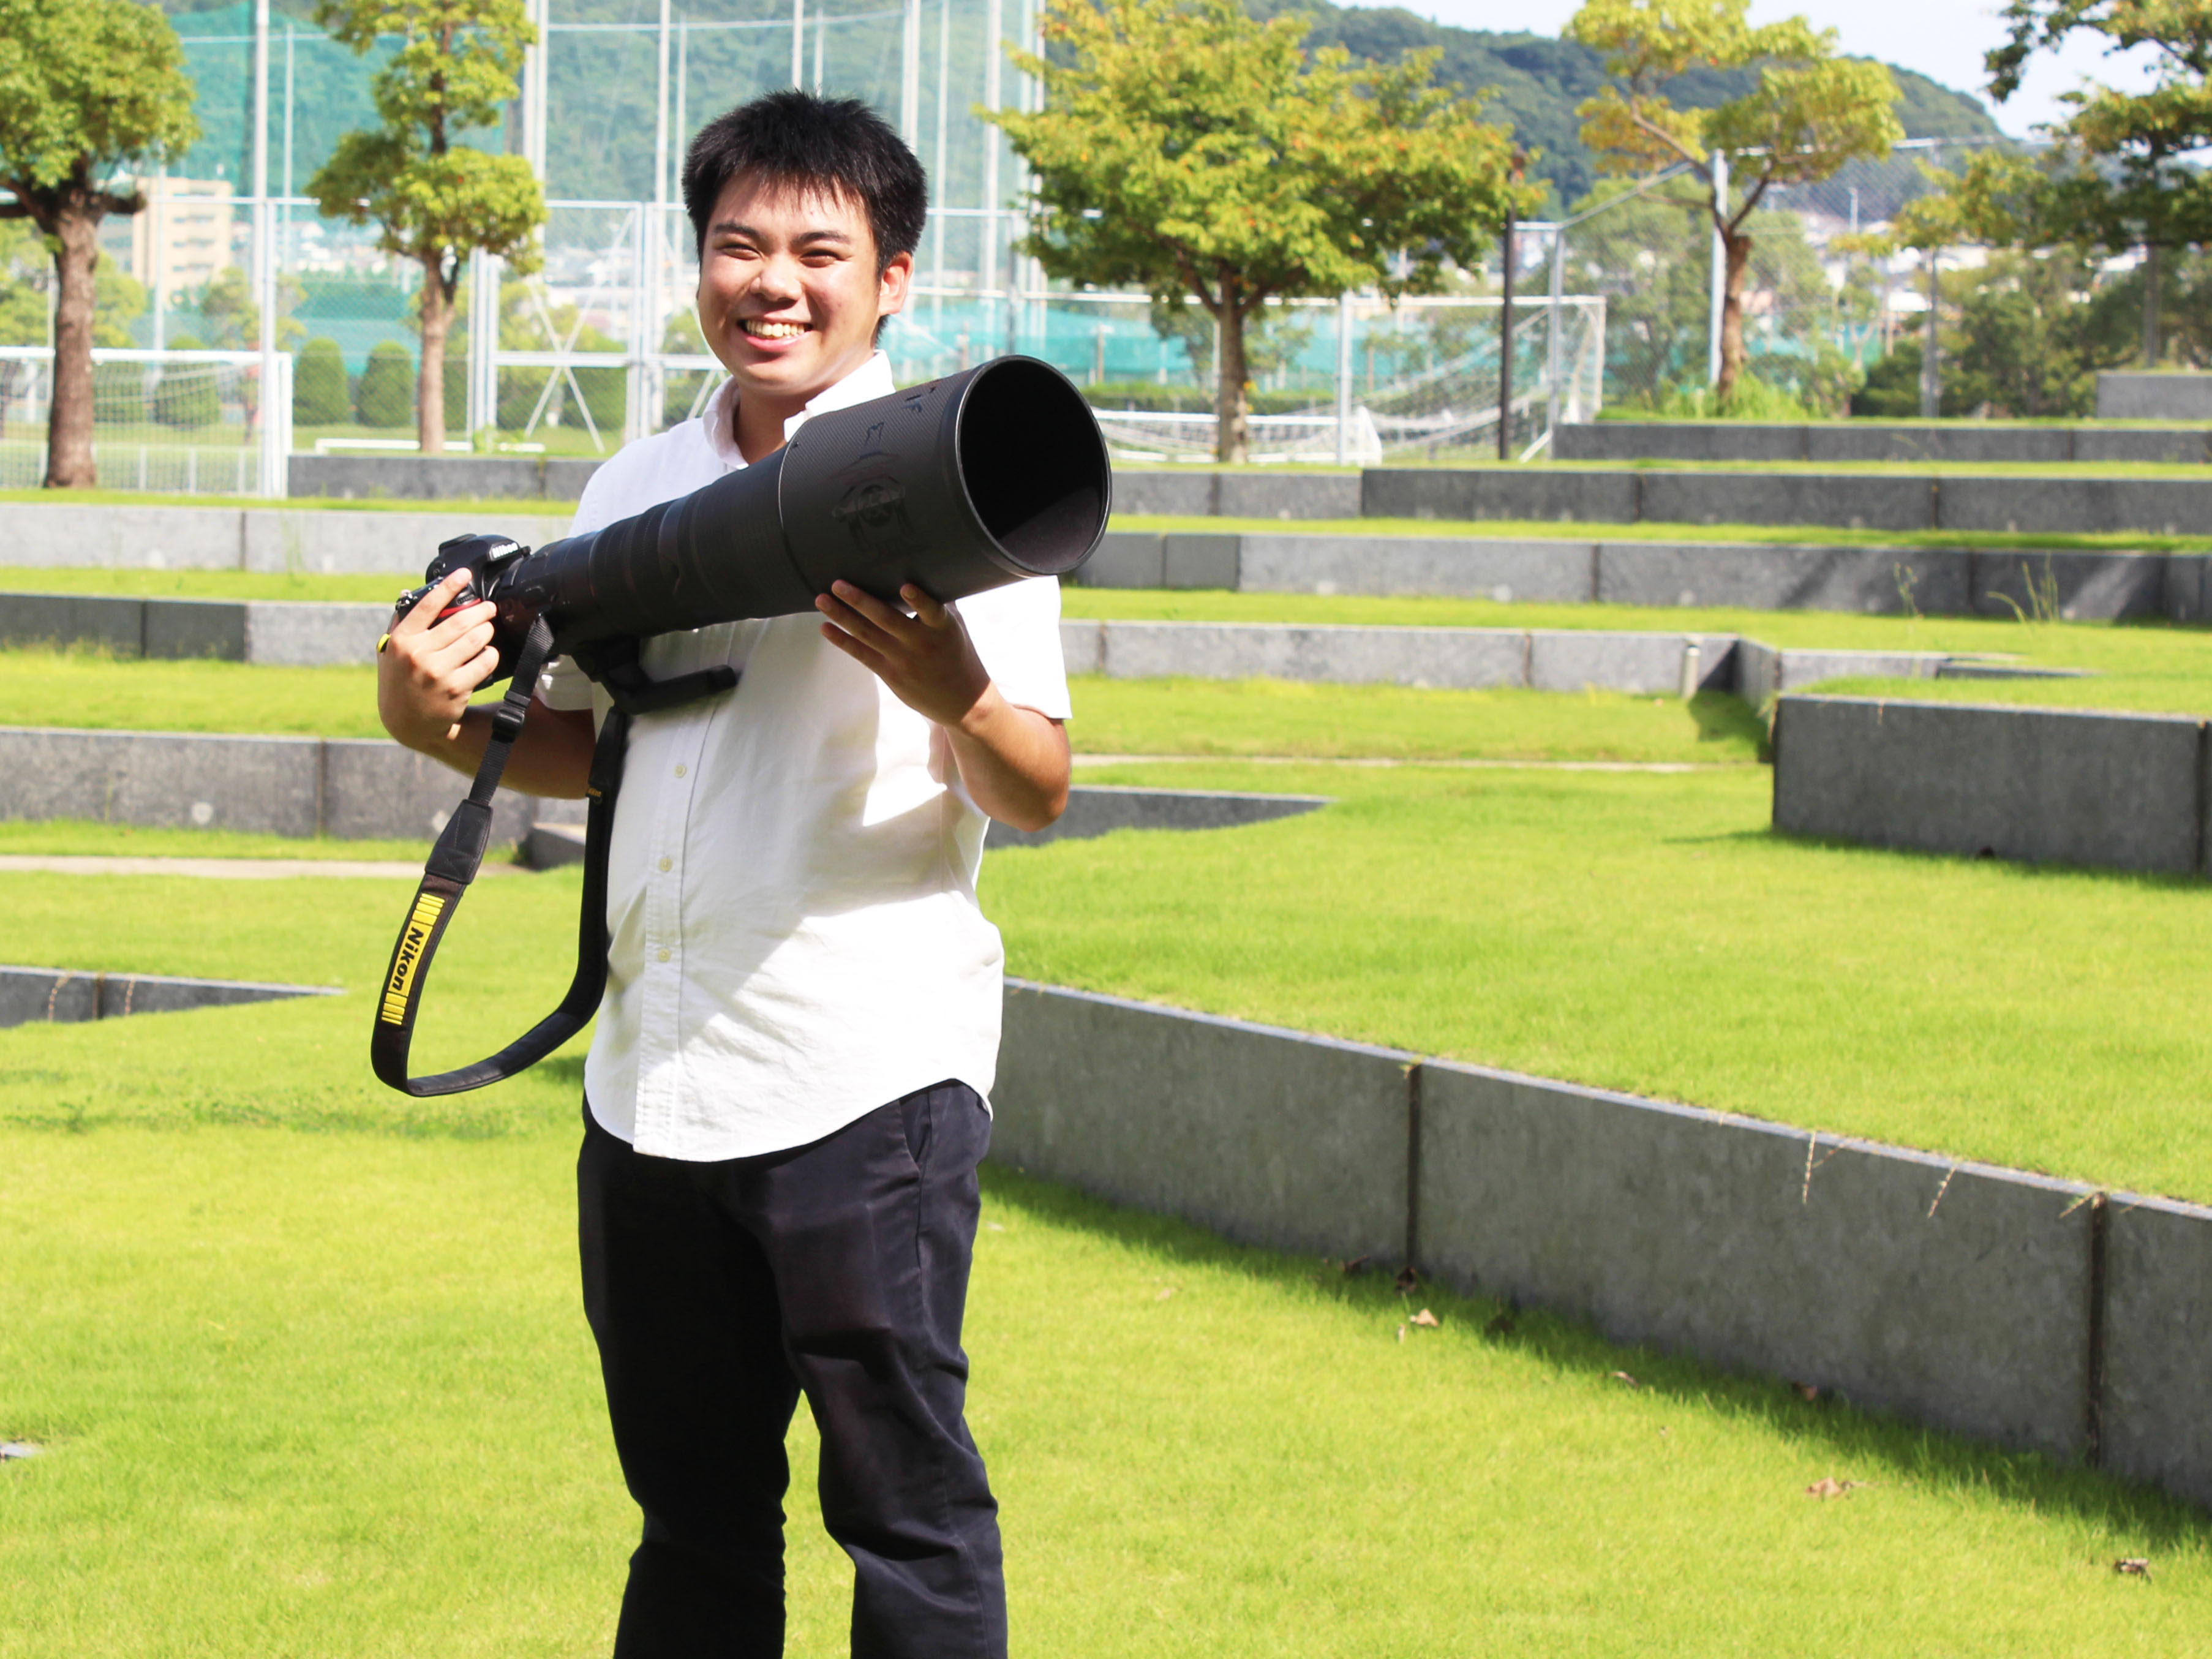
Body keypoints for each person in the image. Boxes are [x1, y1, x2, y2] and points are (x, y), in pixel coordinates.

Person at [373, 90, 1070, 1658]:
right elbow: (606, 746)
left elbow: (1035, 788)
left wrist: (955, 687)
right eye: (738, 244)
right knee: (690, 1518)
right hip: (651, 1081)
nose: (774, 280)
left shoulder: (949, 479)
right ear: (698, 264)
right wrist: (432, 722)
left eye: (819, 249)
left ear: (892, 276)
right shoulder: (633, 489)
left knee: (907, 1517)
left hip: (864, 1077)